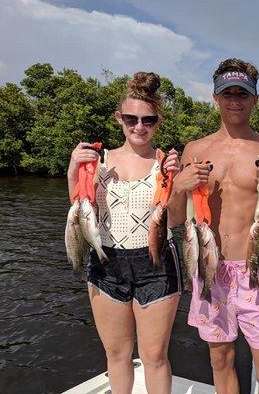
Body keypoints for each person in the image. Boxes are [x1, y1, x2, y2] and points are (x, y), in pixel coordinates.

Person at [167, 58, 259, 394]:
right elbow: (176, 219)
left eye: (242, 94)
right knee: (220, 361)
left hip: (257, 273)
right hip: (210, 271)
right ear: (215, 98)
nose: (235, 101)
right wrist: (179, 185)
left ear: (255, 100)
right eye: (228, 94)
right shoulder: (196, 149)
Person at [67, 72, 181, 394]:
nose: (139, 126)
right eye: (131, 118)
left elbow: (176, 219)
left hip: (156, 263)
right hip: (106, 261)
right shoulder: (99, 160)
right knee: (116, 354)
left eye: (148, 119)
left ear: (158, 122)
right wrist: (73, 169)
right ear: (119, 118)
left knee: (155, 356)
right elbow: (78, 210)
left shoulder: (167, 164)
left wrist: (179, 180)